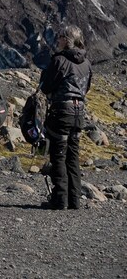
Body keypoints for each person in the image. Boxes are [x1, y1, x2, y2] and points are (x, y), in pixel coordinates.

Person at [40, 24, 92, 210]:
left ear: (67, 40)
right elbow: (87, 87)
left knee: (59, 154)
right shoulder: (86, 63)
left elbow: (46, 87)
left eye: (61, 36)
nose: (58, 39)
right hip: (79, 112)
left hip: (62, 110)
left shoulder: (59, 60)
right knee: (73, 155)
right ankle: (74, 199)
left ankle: (60, 199)